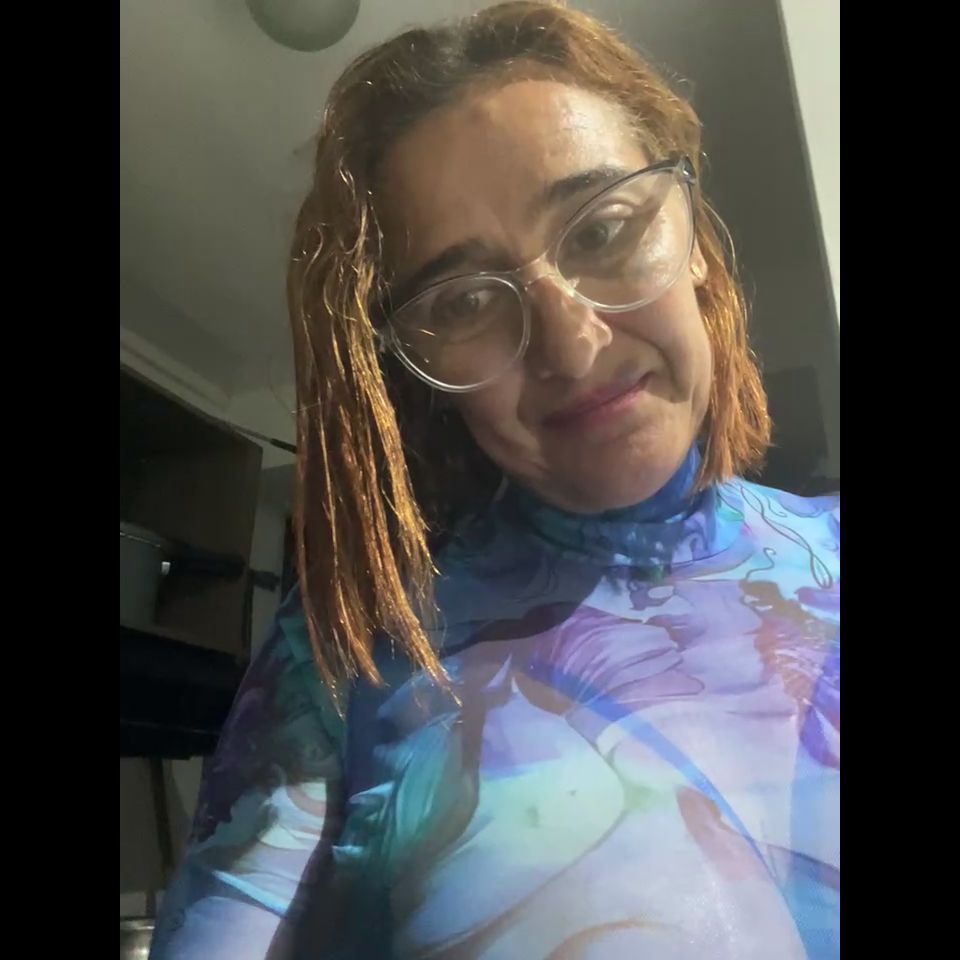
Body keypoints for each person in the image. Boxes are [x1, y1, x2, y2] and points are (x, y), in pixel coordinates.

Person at [150, 2, 839, 957]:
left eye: (603, 230)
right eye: (468, 300)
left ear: (694, 243)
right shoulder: (356, 650)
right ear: (419, 372)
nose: (573, 346)